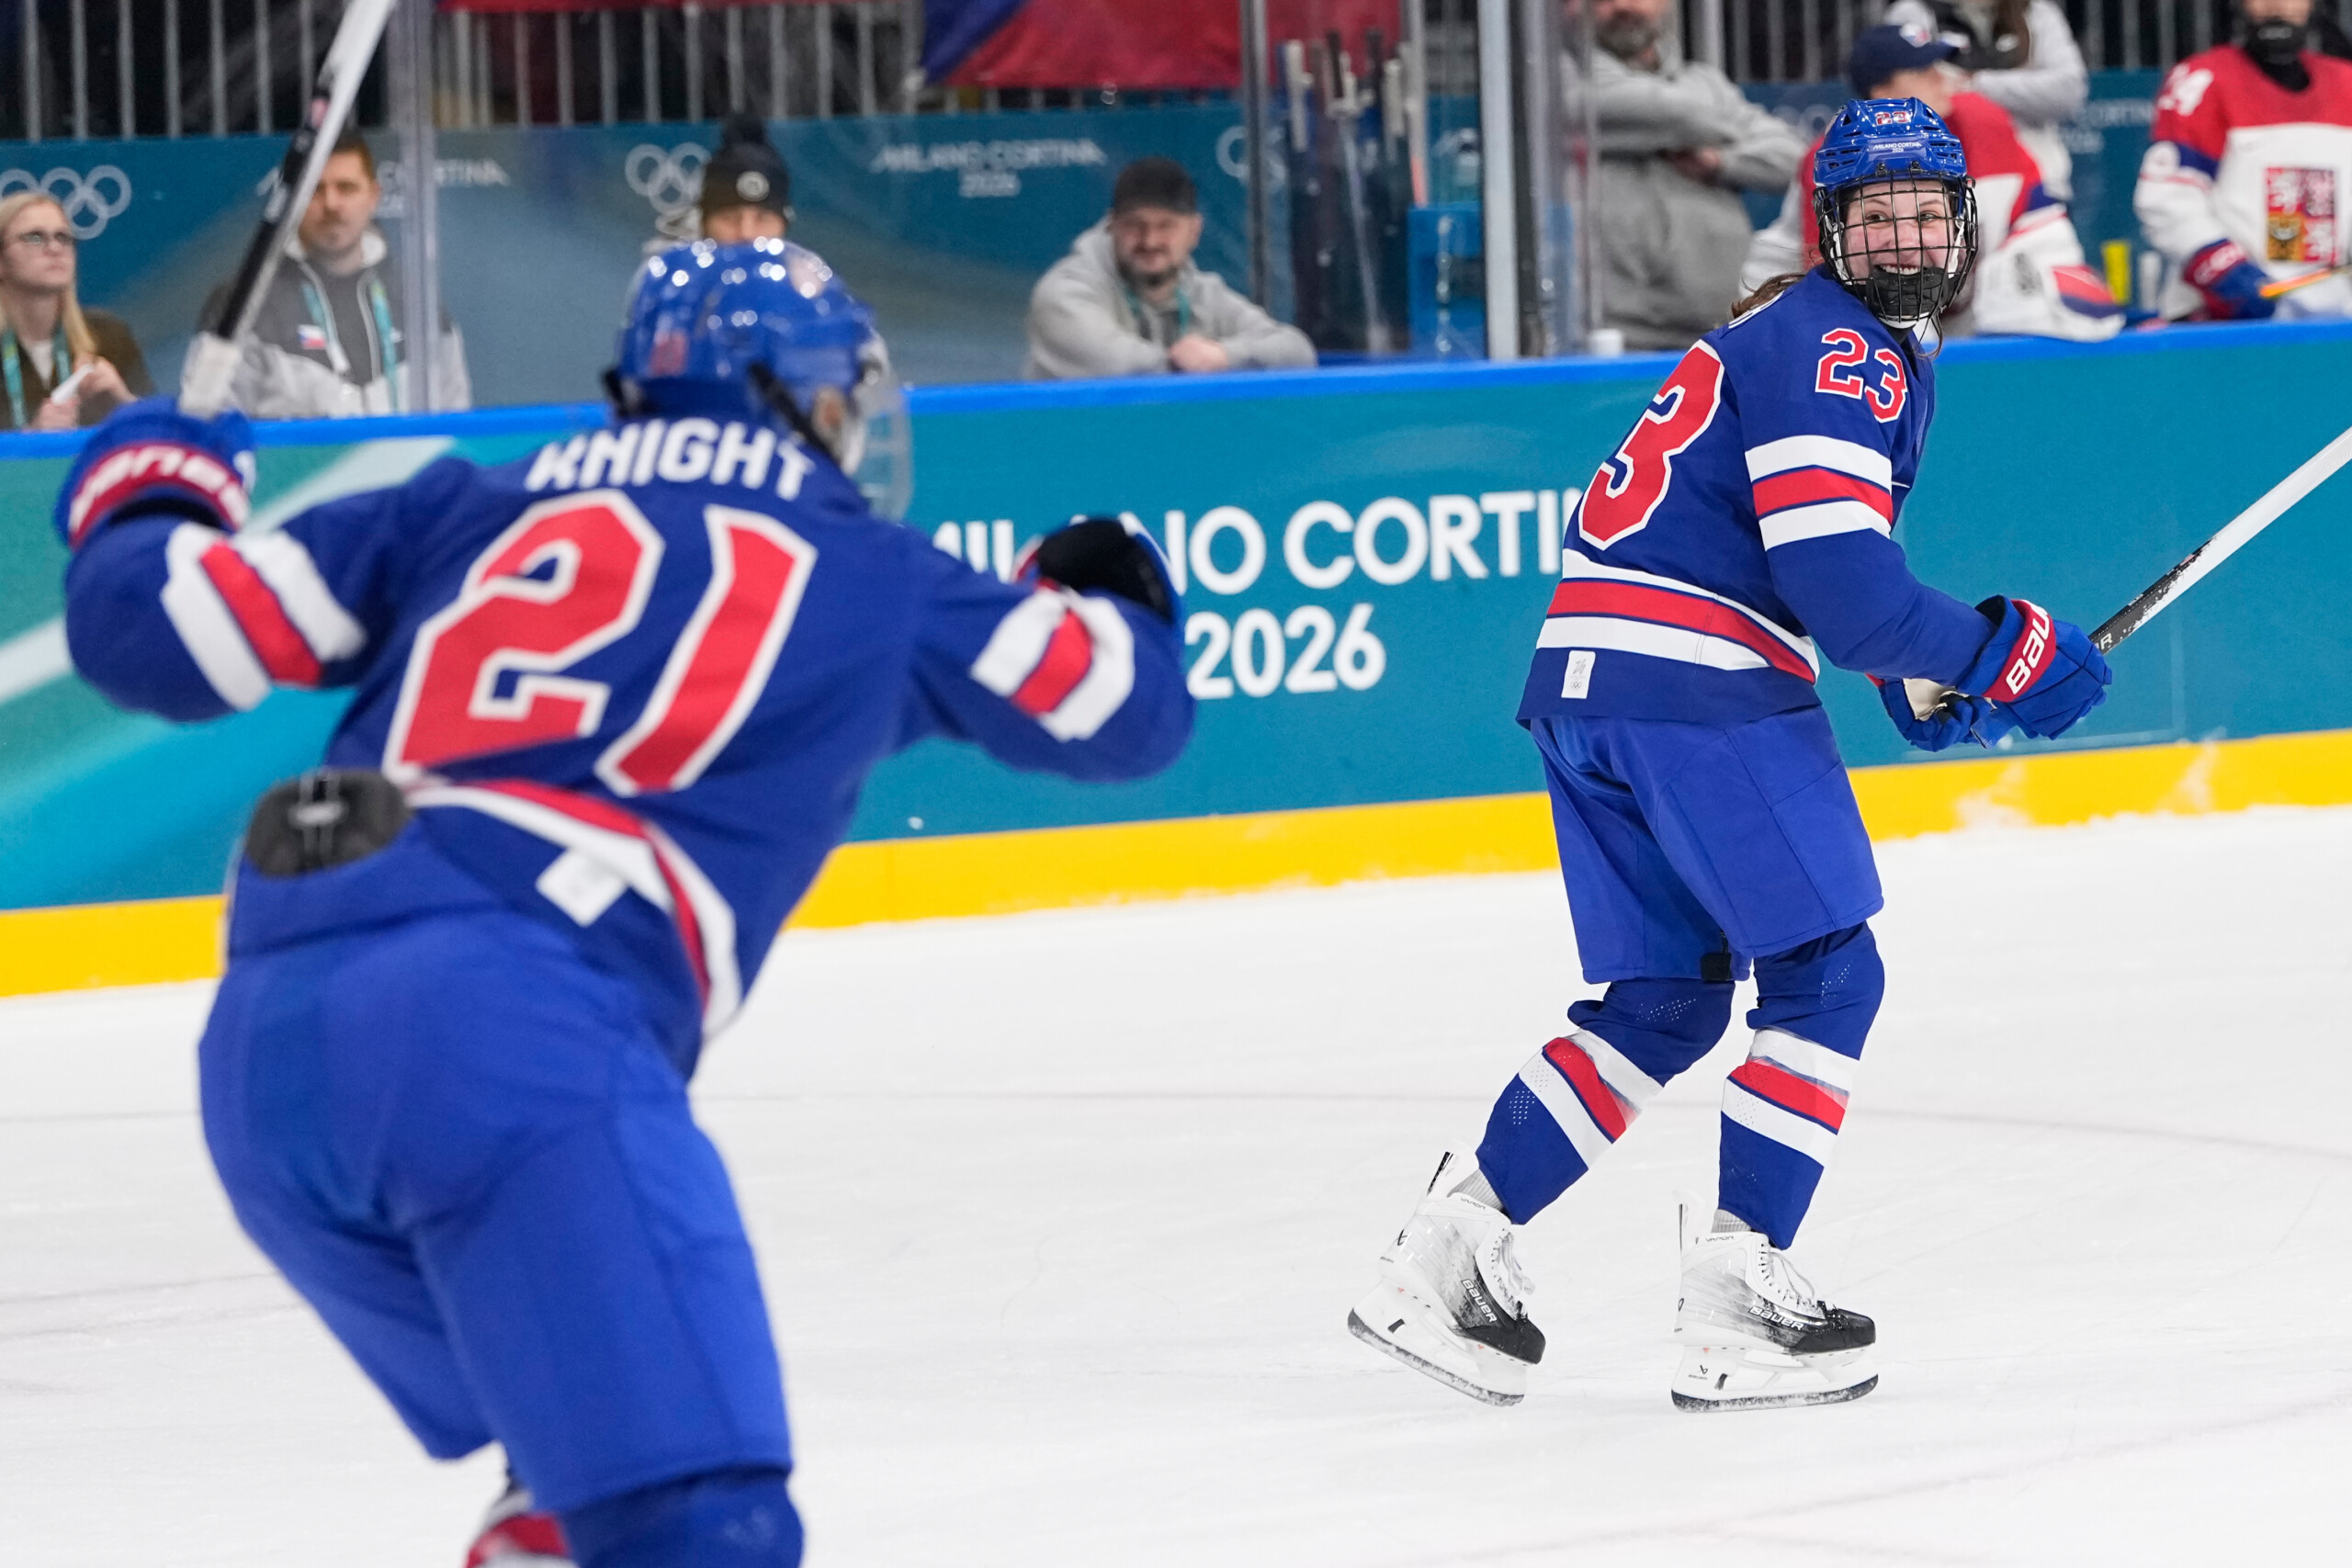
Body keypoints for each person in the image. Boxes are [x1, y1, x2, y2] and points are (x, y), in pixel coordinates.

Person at [56, 238, 1191, 1565]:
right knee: (704, 1520)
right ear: (786, 398)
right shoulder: (876, 574)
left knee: (573, 1463)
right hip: (508, 1038)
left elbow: (151, 632)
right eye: (836, 399)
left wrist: (150, 480)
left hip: (268, 1054)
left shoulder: (462, 506)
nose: (847, 429)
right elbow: (1126, 710)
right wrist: (1111, 580)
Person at [1346, 99, 2112, 1412]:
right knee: (1827, 974)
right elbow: (1849, 589)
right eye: (1878, 216)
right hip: (1694, 685)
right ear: (1831, 229)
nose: (1907, 237)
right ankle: (1740, 1291)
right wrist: (2001, 648)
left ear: (1965, 222)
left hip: (1591, 675)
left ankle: (1446, 1246)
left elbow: (1811, 576)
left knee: (1666, 998)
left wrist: (1919, 673)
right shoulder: (1845, 350)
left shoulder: (1790, 333)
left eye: (1927, 211)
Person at [1743, 25, 2120, 342]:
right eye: (1924, 72)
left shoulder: (1982, 121)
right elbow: (1832, 280)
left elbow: (2040, 227)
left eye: (1942, 65)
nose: (1944, 79)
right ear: (1882, 94)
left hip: (1958, 315)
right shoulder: (1836, 156)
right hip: (1808, 320)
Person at [187, 128, 470, 418]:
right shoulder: (241, 303)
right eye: (315, 190)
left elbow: (456, 426)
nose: (332, 204)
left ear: (373, 196)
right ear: (293, 198)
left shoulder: (417, 299)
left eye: (346, 188)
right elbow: (207, 427)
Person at [1580, 0, 1808, 351]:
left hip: (1721, 330)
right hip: (1616, 337)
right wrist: (1724, 124)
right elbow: (1677, 115)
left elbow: (1793, 156)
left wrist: (1721, 162)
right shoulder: (1561, 79)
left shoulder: (1703, 80)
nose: (1622, 6)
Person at [2135, 0, 2352, 321]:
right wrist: (2224, 273)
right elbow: (2167, 200)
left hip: (2331, 327)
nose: (2276, 5)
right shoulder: (2203, 81)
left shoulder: (2346, 84)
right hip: (2220, 328)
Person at [1025, 156, 1317, 378]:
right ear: (1111, 226)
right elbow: (1122, 369)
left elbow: (1297, 352)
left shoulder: (1204, 292)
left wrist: (1224, 355)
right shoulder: (1064, 293)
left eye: (1166, 226)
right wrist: (1196, 363)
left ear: (1194, 231)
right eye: (1134, 225)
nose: (1150, 241)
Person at [1883, 0, 2087, 199]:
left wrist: (1975, 82)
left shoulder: (2035, 11)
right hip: (1944, 187)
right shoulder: (1913, 12)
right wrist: (2025, 86)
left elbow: (2068, 90)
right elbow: (1907, 93)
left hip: (2039, 184)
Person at [0, 189, 153, 431]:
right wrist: (32, 438)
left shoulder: (108, 335)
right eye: (35, 237)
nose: (54, 248)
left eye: (63, 237)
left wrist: (123, 401)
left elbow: (162, 440)